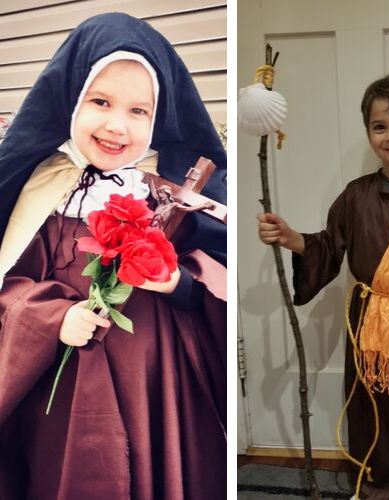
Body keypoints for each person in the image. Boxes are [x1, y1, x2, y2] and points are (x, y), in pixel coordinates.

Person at [0, 13, 227, 499]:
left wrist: (177, 282)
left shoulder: (174, 193)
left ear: (159, 117)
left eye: (138, 111)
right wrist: (53, 317)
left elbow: (216, 279)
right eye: (100, 101)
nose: (116, 126)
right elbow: (12, 284)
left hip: (153, 385)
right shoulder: (43, 189)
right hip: (57, 392)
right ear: (71, 100)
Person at [257, 73, 389, 499]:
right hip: (368, 323)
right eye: (379, 126)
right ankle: (374, 485)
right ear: (368, 132)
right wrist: (293, 239)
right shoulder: (355, 196)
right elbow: (330, 248)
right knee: (373, 409)